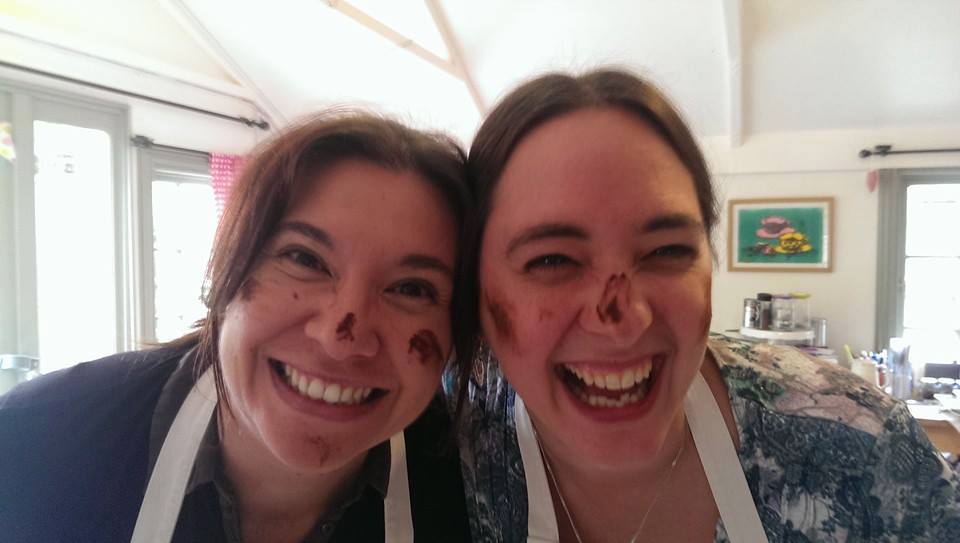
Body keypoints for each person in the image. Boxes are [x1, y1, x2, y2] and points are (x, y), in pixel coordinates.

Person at [449, 68, 960, 542]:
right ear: (473, 289)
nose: (625, 321)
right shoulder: (433, 445)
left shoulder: (860, 445)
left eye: (667, 250)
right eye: (552, 259)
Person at [0, 110, 473, 542]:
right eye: (304, 258)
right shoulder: (35, 444)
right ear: (225, 276)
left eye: (412, 289)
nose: (339, 337)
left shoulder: (472, 490)